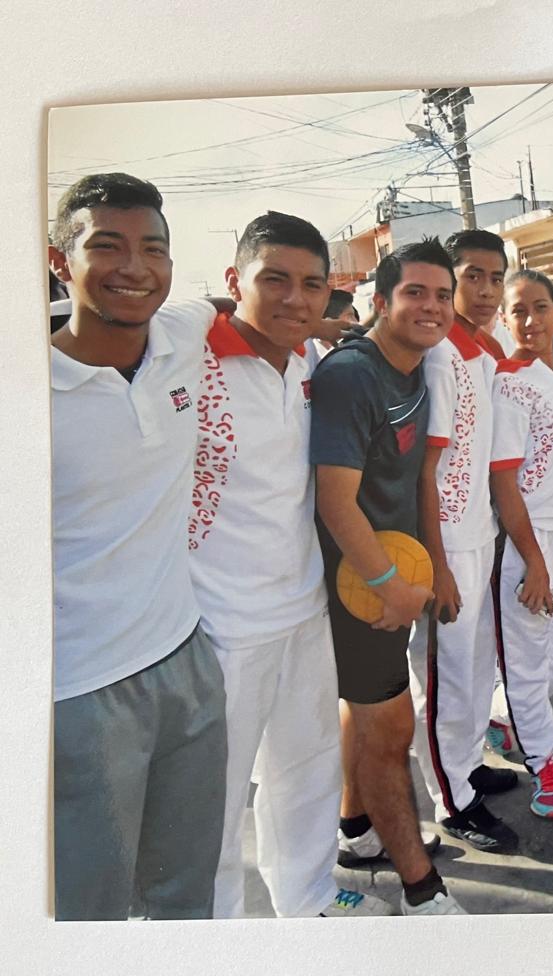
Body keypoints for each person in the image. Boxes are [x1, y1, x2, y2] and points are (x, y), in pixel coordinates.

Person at [187, 212, 391, 918]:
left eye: (311, 285)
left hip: (305, 606)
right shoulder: (188, 358)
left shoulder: (310, 362)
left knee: (305, 770)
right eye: (274, 279)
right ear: (234, 279)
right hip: (219, 626)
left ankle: (307, 901)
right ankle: (215, 931)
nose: (294, 299)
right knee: (211, 798)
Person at [49, 172, 228, 920]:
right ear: (59, 261)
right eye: (107, 246)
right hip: (78, 691)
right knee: (87, 911)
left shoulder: (179, 335)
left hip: (188, 659)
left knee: (185, 894)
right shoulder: (27, 393)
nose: (135, 267)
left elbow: (230, 307)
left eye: (153, 249)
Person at [310, 237, 465, 915]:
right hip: (359, 590)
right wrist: (388, 588)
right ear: (379, 300)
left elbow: (415, 480)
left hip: (391, 577)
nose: (432, 307)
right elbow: (334, 500)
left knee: (367, 715)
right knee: (391, 732)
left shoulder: (420, 366)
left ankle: (356, 829)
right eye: (415, 293)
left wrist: (436, 567)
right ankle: (421, 890)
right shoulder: (354, 374)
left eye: (442, 295)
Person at [404, 228, 520, 857]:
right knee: (444, 678)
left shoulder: (483, 352)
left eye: (495, 277)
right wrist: (438, 564)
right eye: (472, 276)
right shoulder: (441, 356)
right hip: (444, 545)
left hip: (480, 536)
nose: (486, 290)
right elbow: (426, 470)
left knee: (475, 669)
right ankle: (451, 800)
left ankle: (468, 765)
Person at [490, 270, 553, 818]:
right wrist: (533, 561)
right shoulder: (510, 382)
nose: (530, 320)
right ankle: (545, 765)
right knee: (528, 661)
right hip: (530, 538)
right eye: (518, 311)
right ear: (504, 319)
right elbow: (504, 481)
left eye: (540, 307)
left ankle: (498, 711)